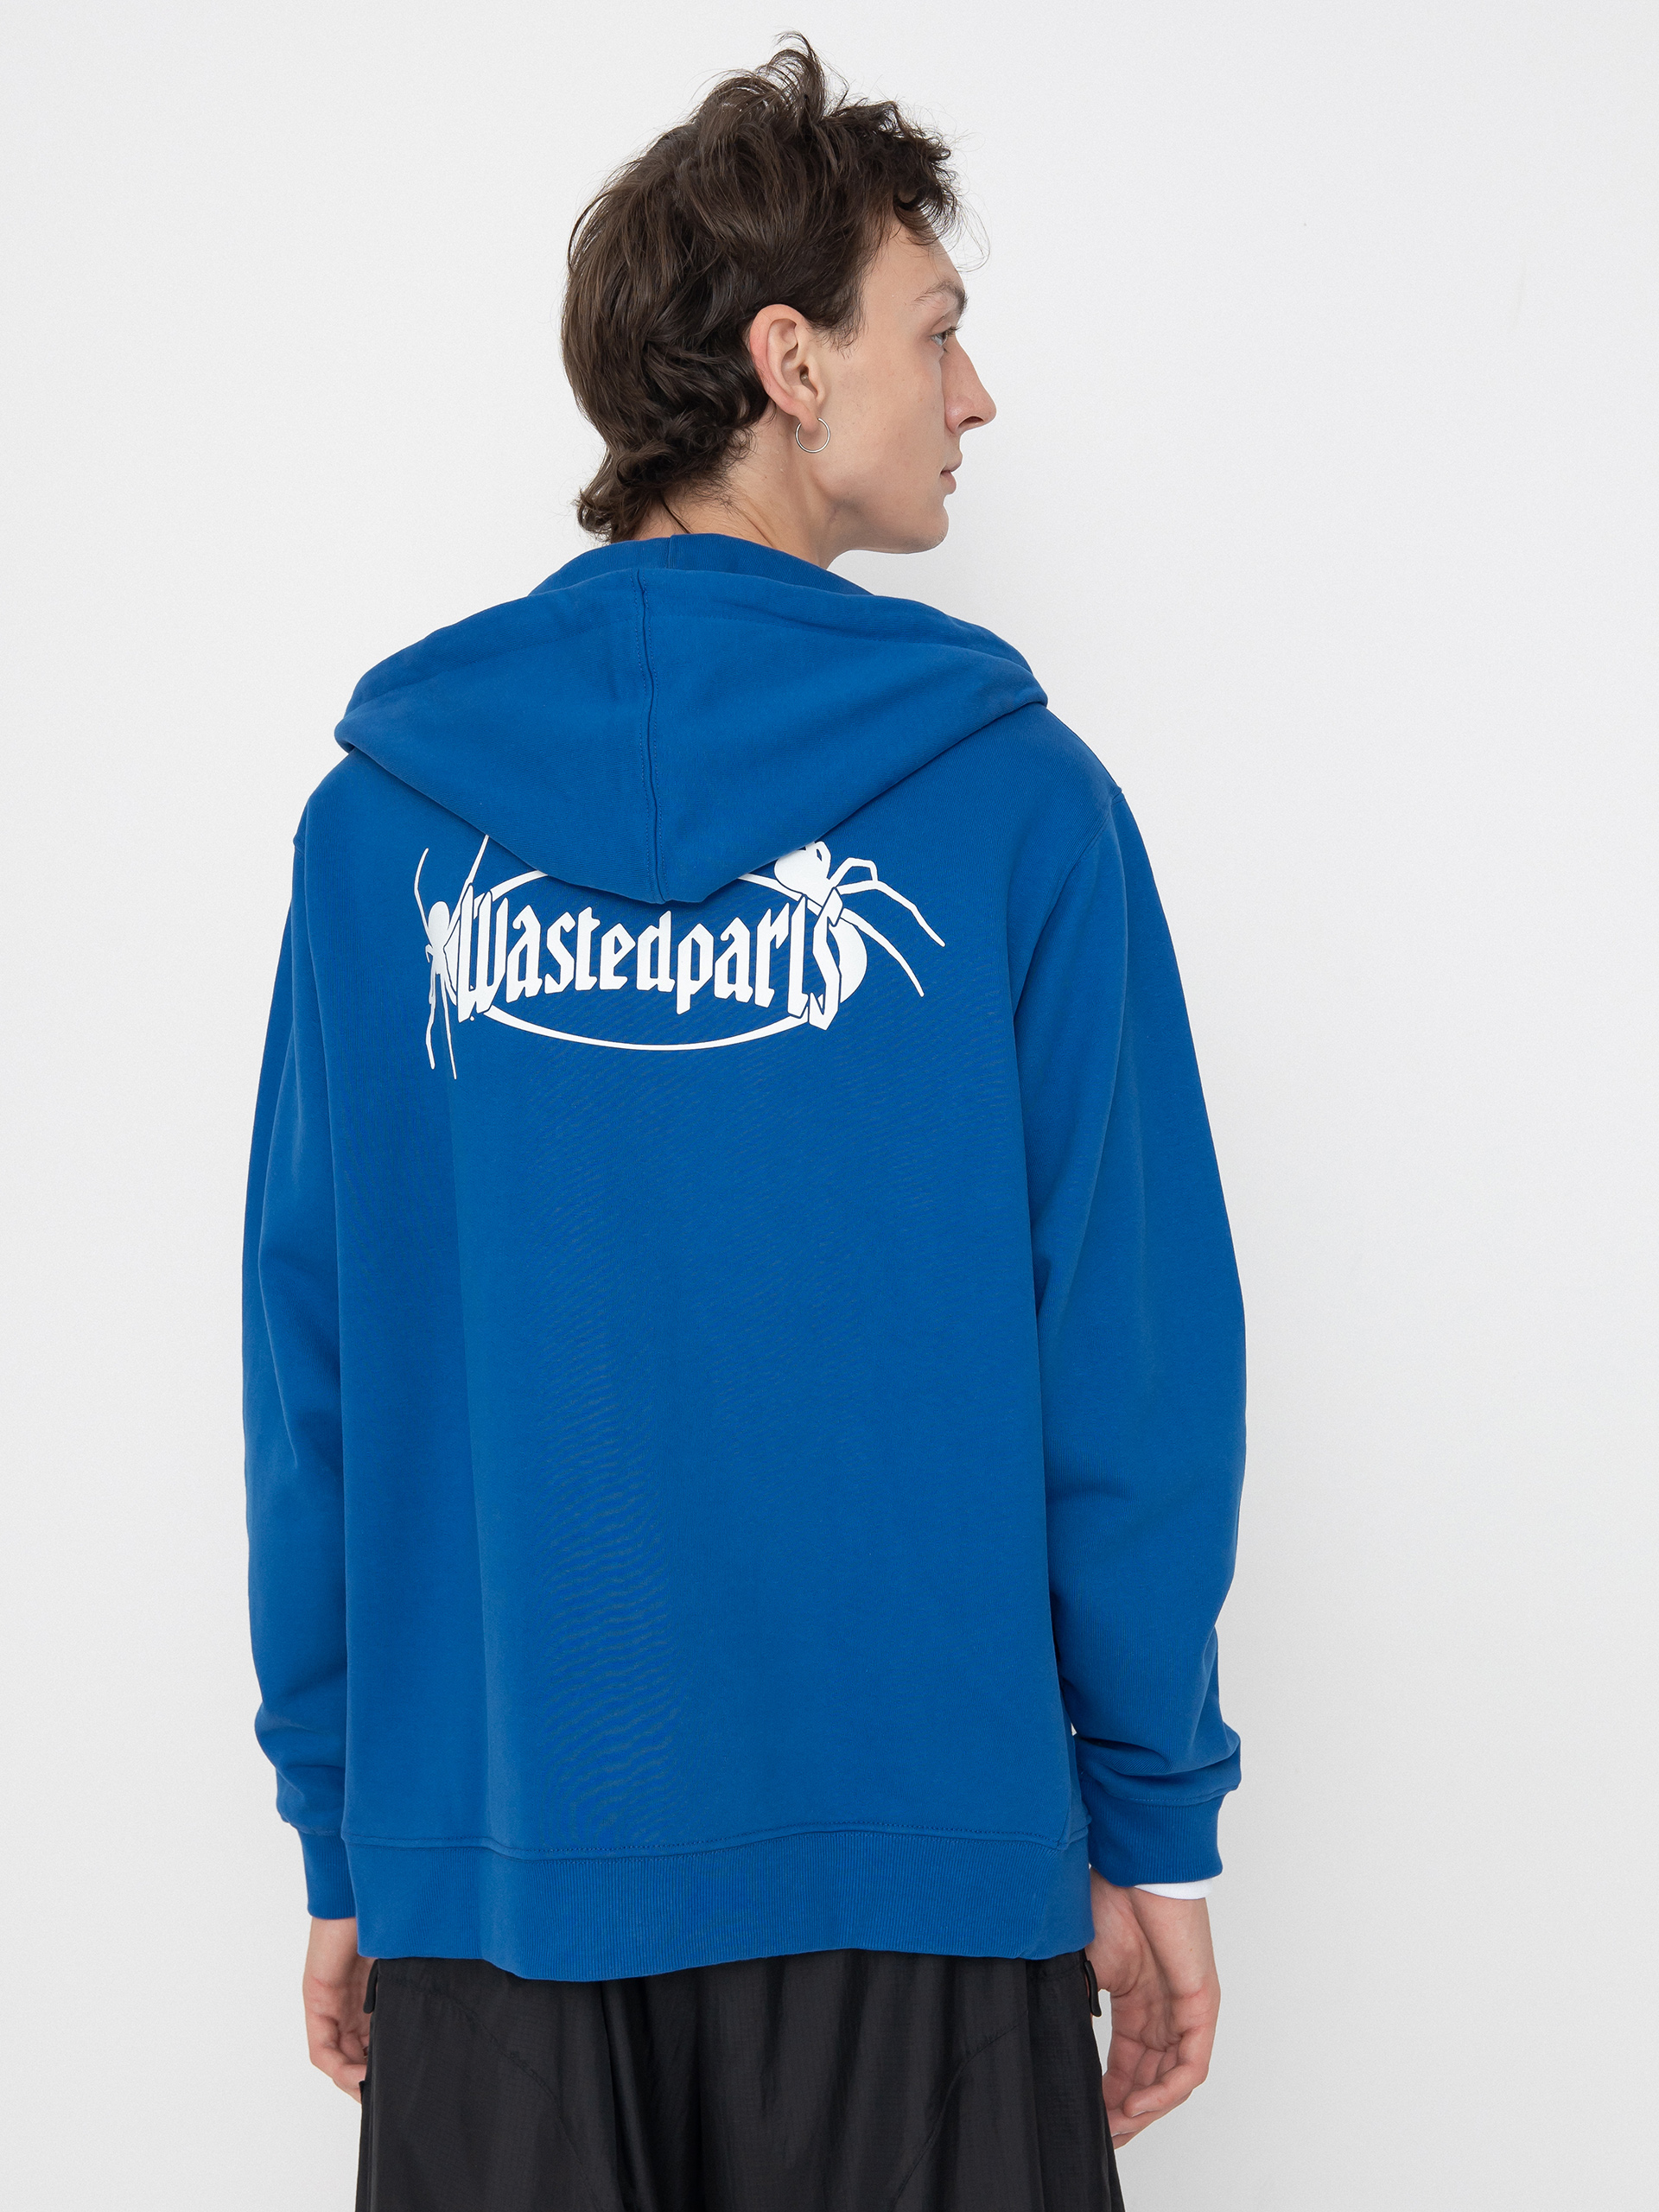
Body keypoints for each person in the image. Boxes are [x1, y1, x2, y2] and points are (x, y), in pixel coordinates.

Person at [244, 41, 1245, 2212]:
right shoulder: (1017, 809)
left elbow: (314, 1377)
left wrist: (349, 1826)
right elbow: (1132, 1366)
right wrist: (1152, 1820)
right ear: (793, 364)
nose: (976, 395)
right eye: (937, 330)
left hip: (503, 1879)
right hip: (929, 1889)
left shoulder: (381, 838)